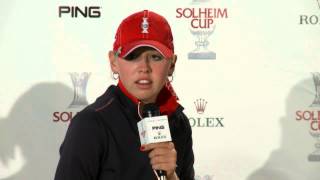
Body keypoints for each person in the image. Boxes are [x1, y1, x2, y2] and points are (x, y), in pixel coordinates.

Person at [54, 10, 195, 180]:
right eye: (133, 56)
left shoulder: (179, 123)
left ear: (172, 64)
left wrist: (171, 176)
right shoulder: (90, 124)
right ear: (114, 62)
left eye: (155, 57)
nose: (144, 67)